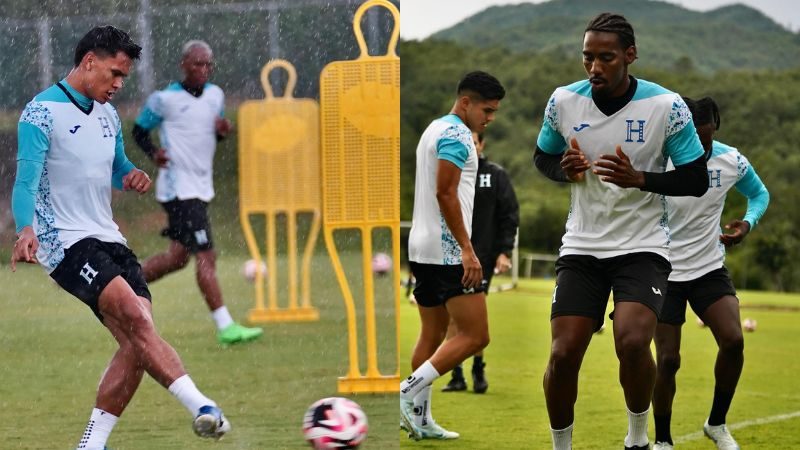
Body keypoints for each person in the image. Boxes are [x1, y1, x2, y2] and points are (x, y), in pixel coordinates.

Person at [10, 26, 230, 449]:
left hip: (109, 237)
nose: (118, 85)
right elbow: (25, 180)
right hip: (66, 243)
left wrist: (131, 175)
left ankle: (92, 444)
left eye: (124, 77)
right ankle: (202, 406)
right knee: (134, 315)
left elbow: (117, 164)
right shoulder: (41, 113)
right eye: (114, 74)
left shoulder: (108, 115)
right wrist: (26, 229)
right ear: (89, 61)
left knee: (137, 337)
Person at [533, 13, 709, 450]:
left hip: (643, 245)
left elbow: (696, 179)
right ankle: (561, 446)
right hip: (582, 244)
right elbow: (543, 158)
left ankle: (637, 436)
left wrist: (641, 179)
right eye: (587, 57)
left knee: (632, 342)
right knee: (562, 353)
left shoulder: (666, 107)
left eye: (605, 58)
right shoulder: (562, 101)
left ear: (629, 56)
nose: (594, 67)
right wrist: (564, 169)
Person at [652, 97, 769, 450]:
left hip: (708, 269)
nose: (701, 146)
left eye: (708, 137)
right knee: (668, 359)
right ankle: (662, 439)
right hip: (664, 272)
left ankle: (716, 424)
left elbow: (759, 195)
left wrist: (746, 225)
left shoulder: (730, 160)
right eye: (695, 136)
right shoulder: (659, 158)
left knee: (733, 340)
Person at [132, 40, 263, 345]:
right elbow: (139, 130)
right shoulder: (164, 100)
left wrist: (221, 133)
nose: (204, 70)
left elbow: (210, 139)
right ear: (184, 65)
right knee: (207, 255)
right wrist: (154, 153)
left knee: (177, 258)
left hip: (201, 187)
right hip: (179, 189)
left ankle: (121, 283)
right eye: (197, 64)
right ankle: (226, 326)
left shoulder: (216, 96)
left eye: (208, 64)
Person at [400, 71, 505, 440]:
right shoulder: (458, 134)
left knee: (433, 333)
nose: (489, 118)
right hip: (446, 252)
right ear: (466, 102)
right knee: (476, 336)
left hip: (420, 246)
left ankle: (421, 418)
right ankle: (408, 390)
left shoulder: (433, 129)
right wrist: (467, 248)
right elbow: (446, 193)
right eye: (486, 110)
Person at [441, 131, 519, 394]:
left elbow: (510, 215)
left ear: (482, 144)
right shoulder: (450, 173)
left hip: (482, 257)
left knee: (474, 316)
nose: (470, 147)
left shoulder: (495, 175)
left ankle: (477, 368)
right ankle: (457, 374)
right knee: (452, 316)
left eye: (474, 142)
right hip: (452, 256)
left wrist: (505, 251)